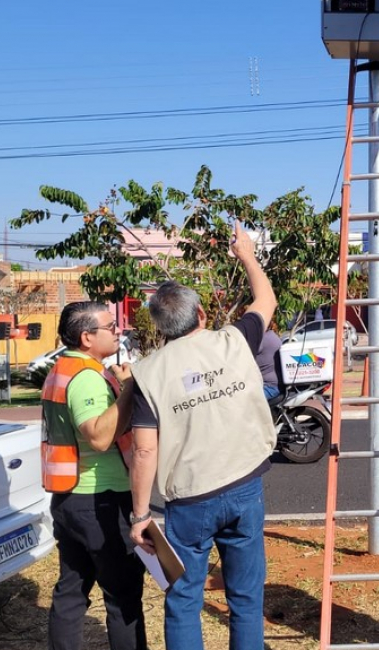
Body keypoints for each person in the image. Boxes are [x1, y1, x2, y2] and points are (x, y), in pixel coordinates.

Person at [128, 220, 276, 650]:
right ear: (202, 315)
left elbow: (144, 450)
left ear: (160, 327)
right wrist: (246, 254)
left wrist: (140, 516)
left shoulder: (149, 373)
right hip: (245, 485)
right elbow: (265, 299)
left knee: (184, 599)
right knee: (247, 598)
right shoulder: (233, 340)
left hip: (190, 501)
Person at [42, 302, 146, 650]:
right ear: (87, 337)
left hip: (71, 496)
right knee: (122, 596)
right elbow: (100, 437)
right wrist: (131, 387)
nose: (118, 330)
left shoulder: (64, 368)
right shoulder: (86, 378)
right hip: (101, 499)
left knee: (71, 591)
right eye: (110, 326)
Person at [255, 327, 283, 401]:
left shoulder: (261, 340)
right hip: (276, 384)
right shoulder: (272, 335)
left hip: (269, 387)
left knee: (243, 401)